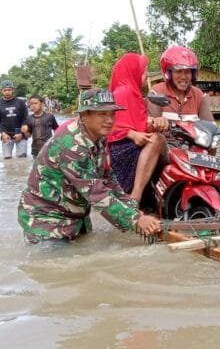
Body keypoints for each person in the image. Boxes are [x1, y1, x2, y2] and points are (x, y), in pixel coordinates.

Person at [17, 88, 161, 243]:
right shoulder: (72, 145)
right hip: (46, 221)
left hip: (75, 217)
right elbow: (96, 193)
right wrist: (136, 219)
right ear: (84, 115)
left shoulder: (98, 136)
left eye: (112, 113)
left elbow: (107, 178)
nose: (110, 120)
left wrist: (133, 209)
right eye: (102, 114)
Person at [147, 45, 220, 149]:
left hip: (194, 149)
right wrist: (158, 122)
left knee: (212, 145)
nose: (183, 76)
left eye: (187, 72)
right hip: (166, 150)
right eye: (178, 71)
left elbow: (210, 126)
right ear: (168, 73)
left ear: (193, 74)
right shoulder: (157, 91)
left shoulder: (198, 94)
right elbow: (151, 127)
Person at [107, 53, 167, 206]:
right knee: (158, 139)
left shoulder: (134, 94)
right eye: (144, 71)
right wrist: (131, 134)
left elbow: (137, 123)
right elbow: (107, 126)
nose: (146, 75)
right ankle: (136, 195)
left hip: (129, 145)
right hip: (120, 149)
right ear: (134, 72)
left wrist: (154, 123)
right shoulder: (123, 92)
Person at [0, 79, 28, 159]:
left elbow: (26, 119)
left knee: (22, 159)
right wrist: (3, 133)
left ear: (13, 90)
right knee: (7, 160)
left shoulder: (20, 103)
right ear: (1, 91)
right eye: (5, 90)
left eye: (9, 90)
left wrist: (21, 134)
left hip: (20, 135)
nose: (7, 92)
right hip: (6, 135)